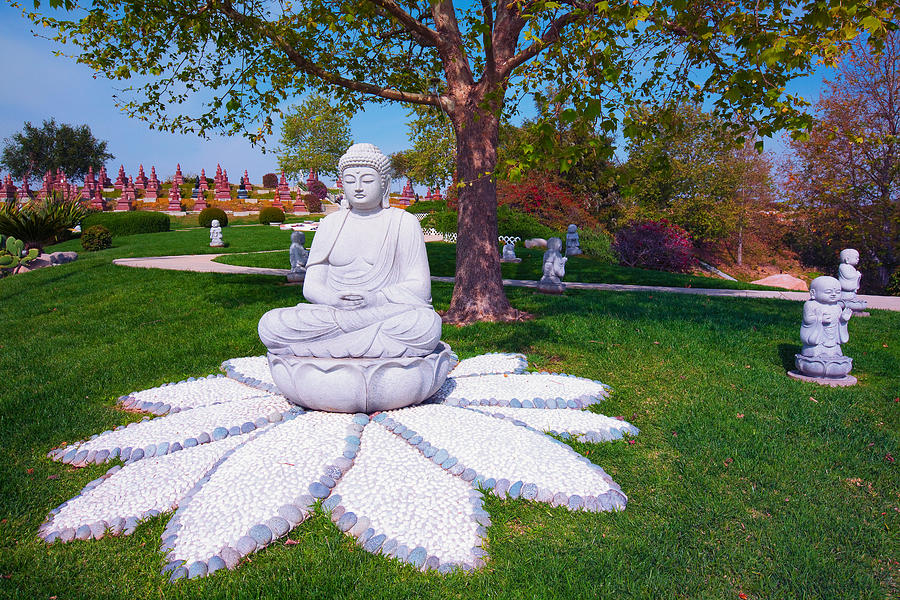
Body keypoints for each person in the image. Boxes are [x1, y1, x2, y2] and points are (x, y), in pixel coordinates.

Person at [258, 143, 442, 359]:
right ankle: (366, 348)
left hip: (382, 312)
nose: (358, 188)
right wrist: (332, 300)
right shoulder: (330, 224)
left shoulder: (404, 222)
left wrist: (375, 299)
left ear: (385, 184)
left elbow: (420, 288)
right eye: (349, 181)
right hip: (333, 313)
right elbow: (312, 286)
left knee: (424, 326)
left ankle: (320, 351)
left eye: (367, 180)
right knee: (271, 324)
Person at [799, 276, 852, 357]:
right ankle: (813, 356)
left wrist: (843, 320)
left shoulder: (837, 307)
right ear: (813, 293)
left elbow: (839, 323)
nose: (834, 294)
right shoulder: (811, 305)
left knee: (836, 352)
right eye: (828, 292)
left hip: (833, 340)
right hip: (817, 339)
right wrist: (820, 319)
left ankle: (834, 354)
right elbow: (808, 320)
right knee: (815, 353)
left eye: (838, 292)